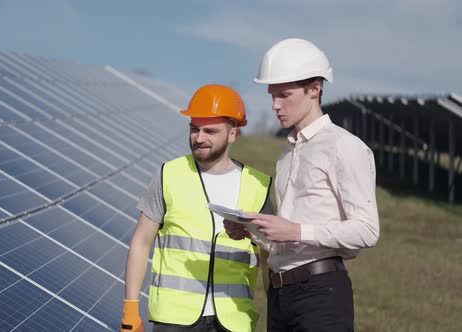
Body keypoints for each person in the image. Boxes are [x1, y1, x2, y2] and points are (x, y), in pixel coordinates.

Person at [225, 38, 380, 331]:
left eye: (284, 94)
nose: (275, 105)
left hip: (321, 294)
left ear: (314, 89)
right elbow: (290, 240)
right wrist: (253, 233)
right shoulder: (287, 156)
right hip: (281, 295)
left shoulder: (343, 146)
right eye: (272, 95)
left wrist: (295, 230)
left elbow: (368, 230)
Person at [121, 84, 275, 332]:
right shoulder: (169, 175)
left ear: (233, 134)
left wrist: (276, 316)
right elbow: (140, 241)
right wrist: (130, 308)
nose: (199, 138)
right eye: (194, 129)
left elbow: (270, 256)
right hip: (174, 318)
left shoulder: (259, 186)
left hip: (233, 320)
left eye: (210, 131)